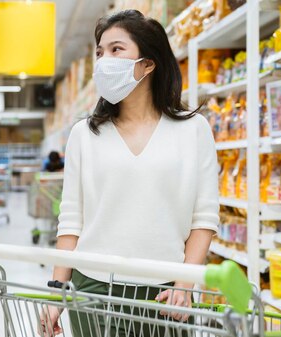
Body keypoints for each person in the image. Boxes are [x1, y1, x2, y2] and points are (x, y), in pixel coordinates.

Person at [42, 10, 219, 337]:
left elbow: (204, 218)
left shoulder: (193, 130)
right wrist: (56, 292)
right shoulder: (84, 133)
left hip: (165, 292)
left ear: (148, 64)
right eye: (99, 52)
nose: (103, 60)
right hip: (92, 287)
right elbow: (71, 220)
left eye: (116, 49)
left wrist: (185, 283)